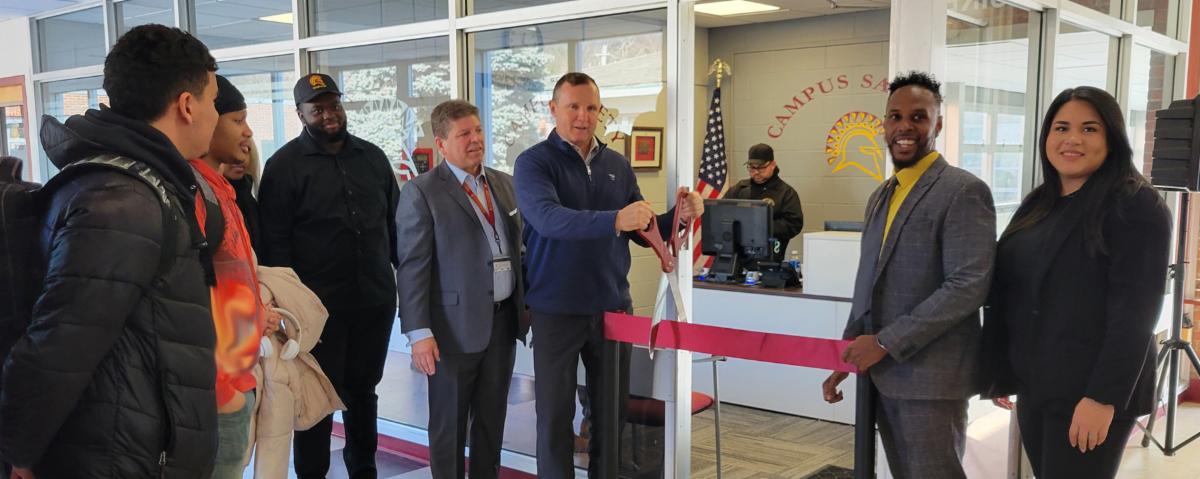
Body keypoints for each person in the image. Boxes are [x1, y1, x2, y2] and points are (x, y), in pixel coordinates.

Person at [0, 24, 220, 478]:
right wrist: (17, 454)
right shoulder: (122, 202)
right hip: (120, 459)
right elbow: (59, 343)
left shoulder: (132, 183)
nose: (215, 115)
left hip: (133, 448)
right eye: (213, 101)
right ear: (186, 105)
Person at [514, 72, 704, 478]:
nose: (583, 117)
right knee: (554, 418)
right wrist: (615, 219)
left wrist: (679, 216)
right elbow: (550, 221)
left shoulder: (616, 163)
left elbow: (641, 228)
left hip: (612, 309)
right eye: (573, 107)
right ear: (553, 109)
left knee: (609, 417)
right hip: (555, 310)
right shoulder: (533, 163)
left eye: (591, 108)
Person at [981, 86, 1171, 478]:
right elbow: (1014, 289)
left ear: (1112, 138)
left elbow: (1135, 314)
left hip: (1090, 390)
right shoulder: (1040, 202)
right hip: (1038, 383)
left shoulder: (1135, 204)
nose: (1072, 139)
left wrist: (1102, 399)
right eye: (1061, 127)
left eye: (1089, 129)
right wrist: (1002, 367)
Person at [820, 71, 996, 479]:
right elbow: (868, 287)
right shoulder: (882, 194)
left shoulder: (963, 190)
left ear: (938, 124)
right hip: (882, 376)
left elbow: (967, 286)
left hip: (931, 381)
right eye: (895, 116)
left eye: (918, 117)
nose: (904, 127)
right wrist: (845, 355)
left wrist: (883, 342)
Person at [258, 73, 400, 479]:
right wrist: (287, 310)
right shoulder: (284, 166)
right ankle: (313, 473)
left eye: (333, 105)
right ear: (301, 115)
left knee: (362, 393)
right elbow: (276, 245)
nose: (329, 115)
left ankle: (364, 470)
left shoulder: (372, 157)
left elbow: (395, 227)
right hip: (316, 311)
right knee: (316, 395)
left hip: (373, 301)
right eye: (317, 109)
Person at [396, 100, 527, 479]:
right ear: (441, 143)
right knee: (449, 429)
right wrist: (419, 333)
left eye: (478, 130)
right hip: (450, 331)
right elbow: (412, 267)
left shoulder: (503, 183)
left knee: (491, 424)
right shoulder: (422, 193)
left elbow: (519, 250)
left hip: (501, 326)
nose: (475, 140)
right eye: (464, 134)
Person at [188, 75, 280, 479]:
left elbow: (228, 283)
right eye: (237, 119)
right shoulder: (191, 193)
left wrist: (258, 313)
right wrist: (224, 392)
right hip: (217, 389)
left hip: (238, 378)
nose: (248, 131)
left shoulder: (219, 187)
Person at [722, 143, 804, 261]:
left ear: (772, 165)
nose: (755, 172)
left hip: (770, 258)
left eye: (761, 168)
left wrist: (762, 227)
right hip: (737, 258)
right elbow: (722, 212)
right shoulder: (740, 189)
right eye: (751, 168)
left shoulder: (785, 192)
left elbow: (794, 224)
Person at [220, 138, 262, 255]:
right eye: (231, 150)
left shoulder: (249, 199)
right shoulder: (213, 200)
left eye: (246, 150)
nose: (239, 158)